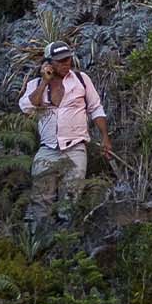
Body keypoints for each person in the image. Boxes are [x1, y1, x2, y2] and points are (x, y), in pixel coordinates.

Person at [18, 41, 113, 229]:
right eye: (60, 61)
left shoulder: (81, 79)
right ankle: (40, 240)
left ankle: (65, 242)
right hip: (48, 149)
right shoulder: (35, 84)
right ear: (48, 63)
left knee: (70, 199)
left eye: (68, 58)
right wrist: (45, 81)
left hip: (75, 148)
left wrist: (105, 138)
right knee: (40, 199)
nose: (66, 63)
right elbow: (27, 108)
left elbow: (96, 108)